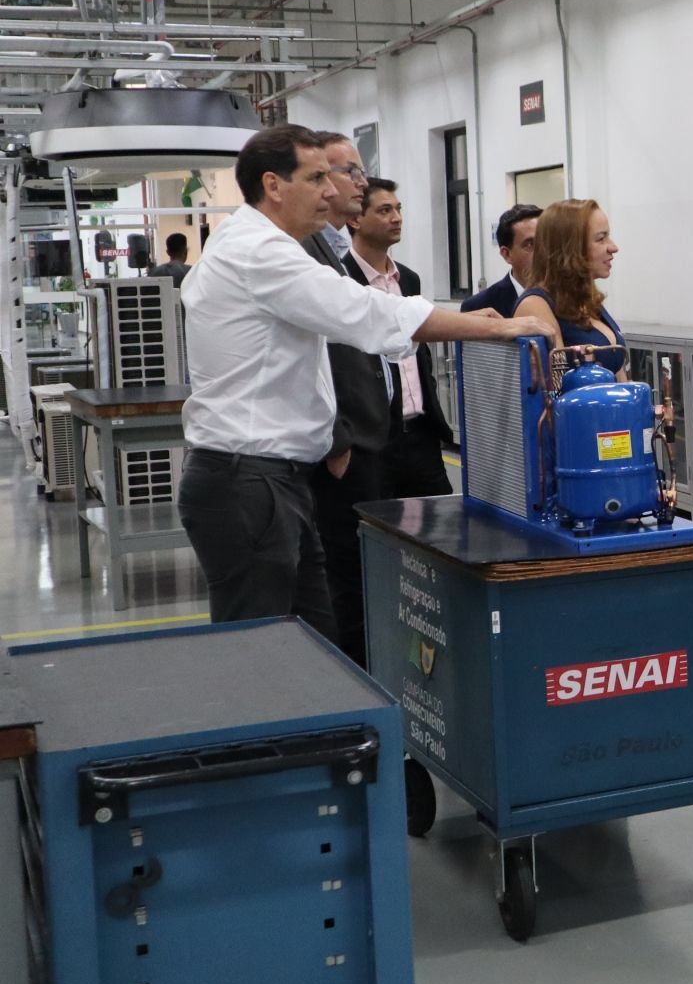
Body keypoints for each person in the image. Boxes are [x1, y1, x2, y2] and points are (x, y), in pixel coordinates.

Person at [177, 125, 550, 644]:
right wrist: (497, 326)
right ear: (274, 184)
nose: (332, 191)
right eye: (317, 178)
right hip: (248, 481)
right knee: (259, 654)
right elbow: (364, 312)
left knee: (311, 641)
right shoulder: (260, 252)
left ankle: (322, 727)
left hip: (269, 479)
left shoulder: (253, 243)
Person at [297, 131, 392, 666]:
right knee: (342, 574)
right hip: (342, 444)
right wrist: (338, 437)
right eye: (347, 172)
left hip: (368, 435)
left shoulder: (332, 249)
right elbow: (324, 351)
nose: (361, 181)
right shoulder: (302, 250)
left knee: (359, 571)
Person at [347, 178, 455, 499]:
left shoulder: (407, 278)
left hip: (421, 434)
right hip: (373, 441)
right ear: (355, 219)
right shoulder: (342, 281)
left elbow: (418, 352)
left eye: (398, 209)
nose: (397, 217)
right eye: (384, 210)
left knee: (439, 527)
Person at [514, 199, 629, 374]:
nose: (613, 247)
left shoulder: (588, 301)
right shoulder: (536, 306)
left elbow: (620, 379)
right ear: (570, 248)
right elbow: (554, 391)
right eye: (601, 239)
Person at [463, 203, 543, 317]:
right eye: (530, 245)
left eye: (546, 241)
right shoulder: (480, 306)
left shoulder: (568, 299)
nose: (543, 251)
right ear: (507, 254)